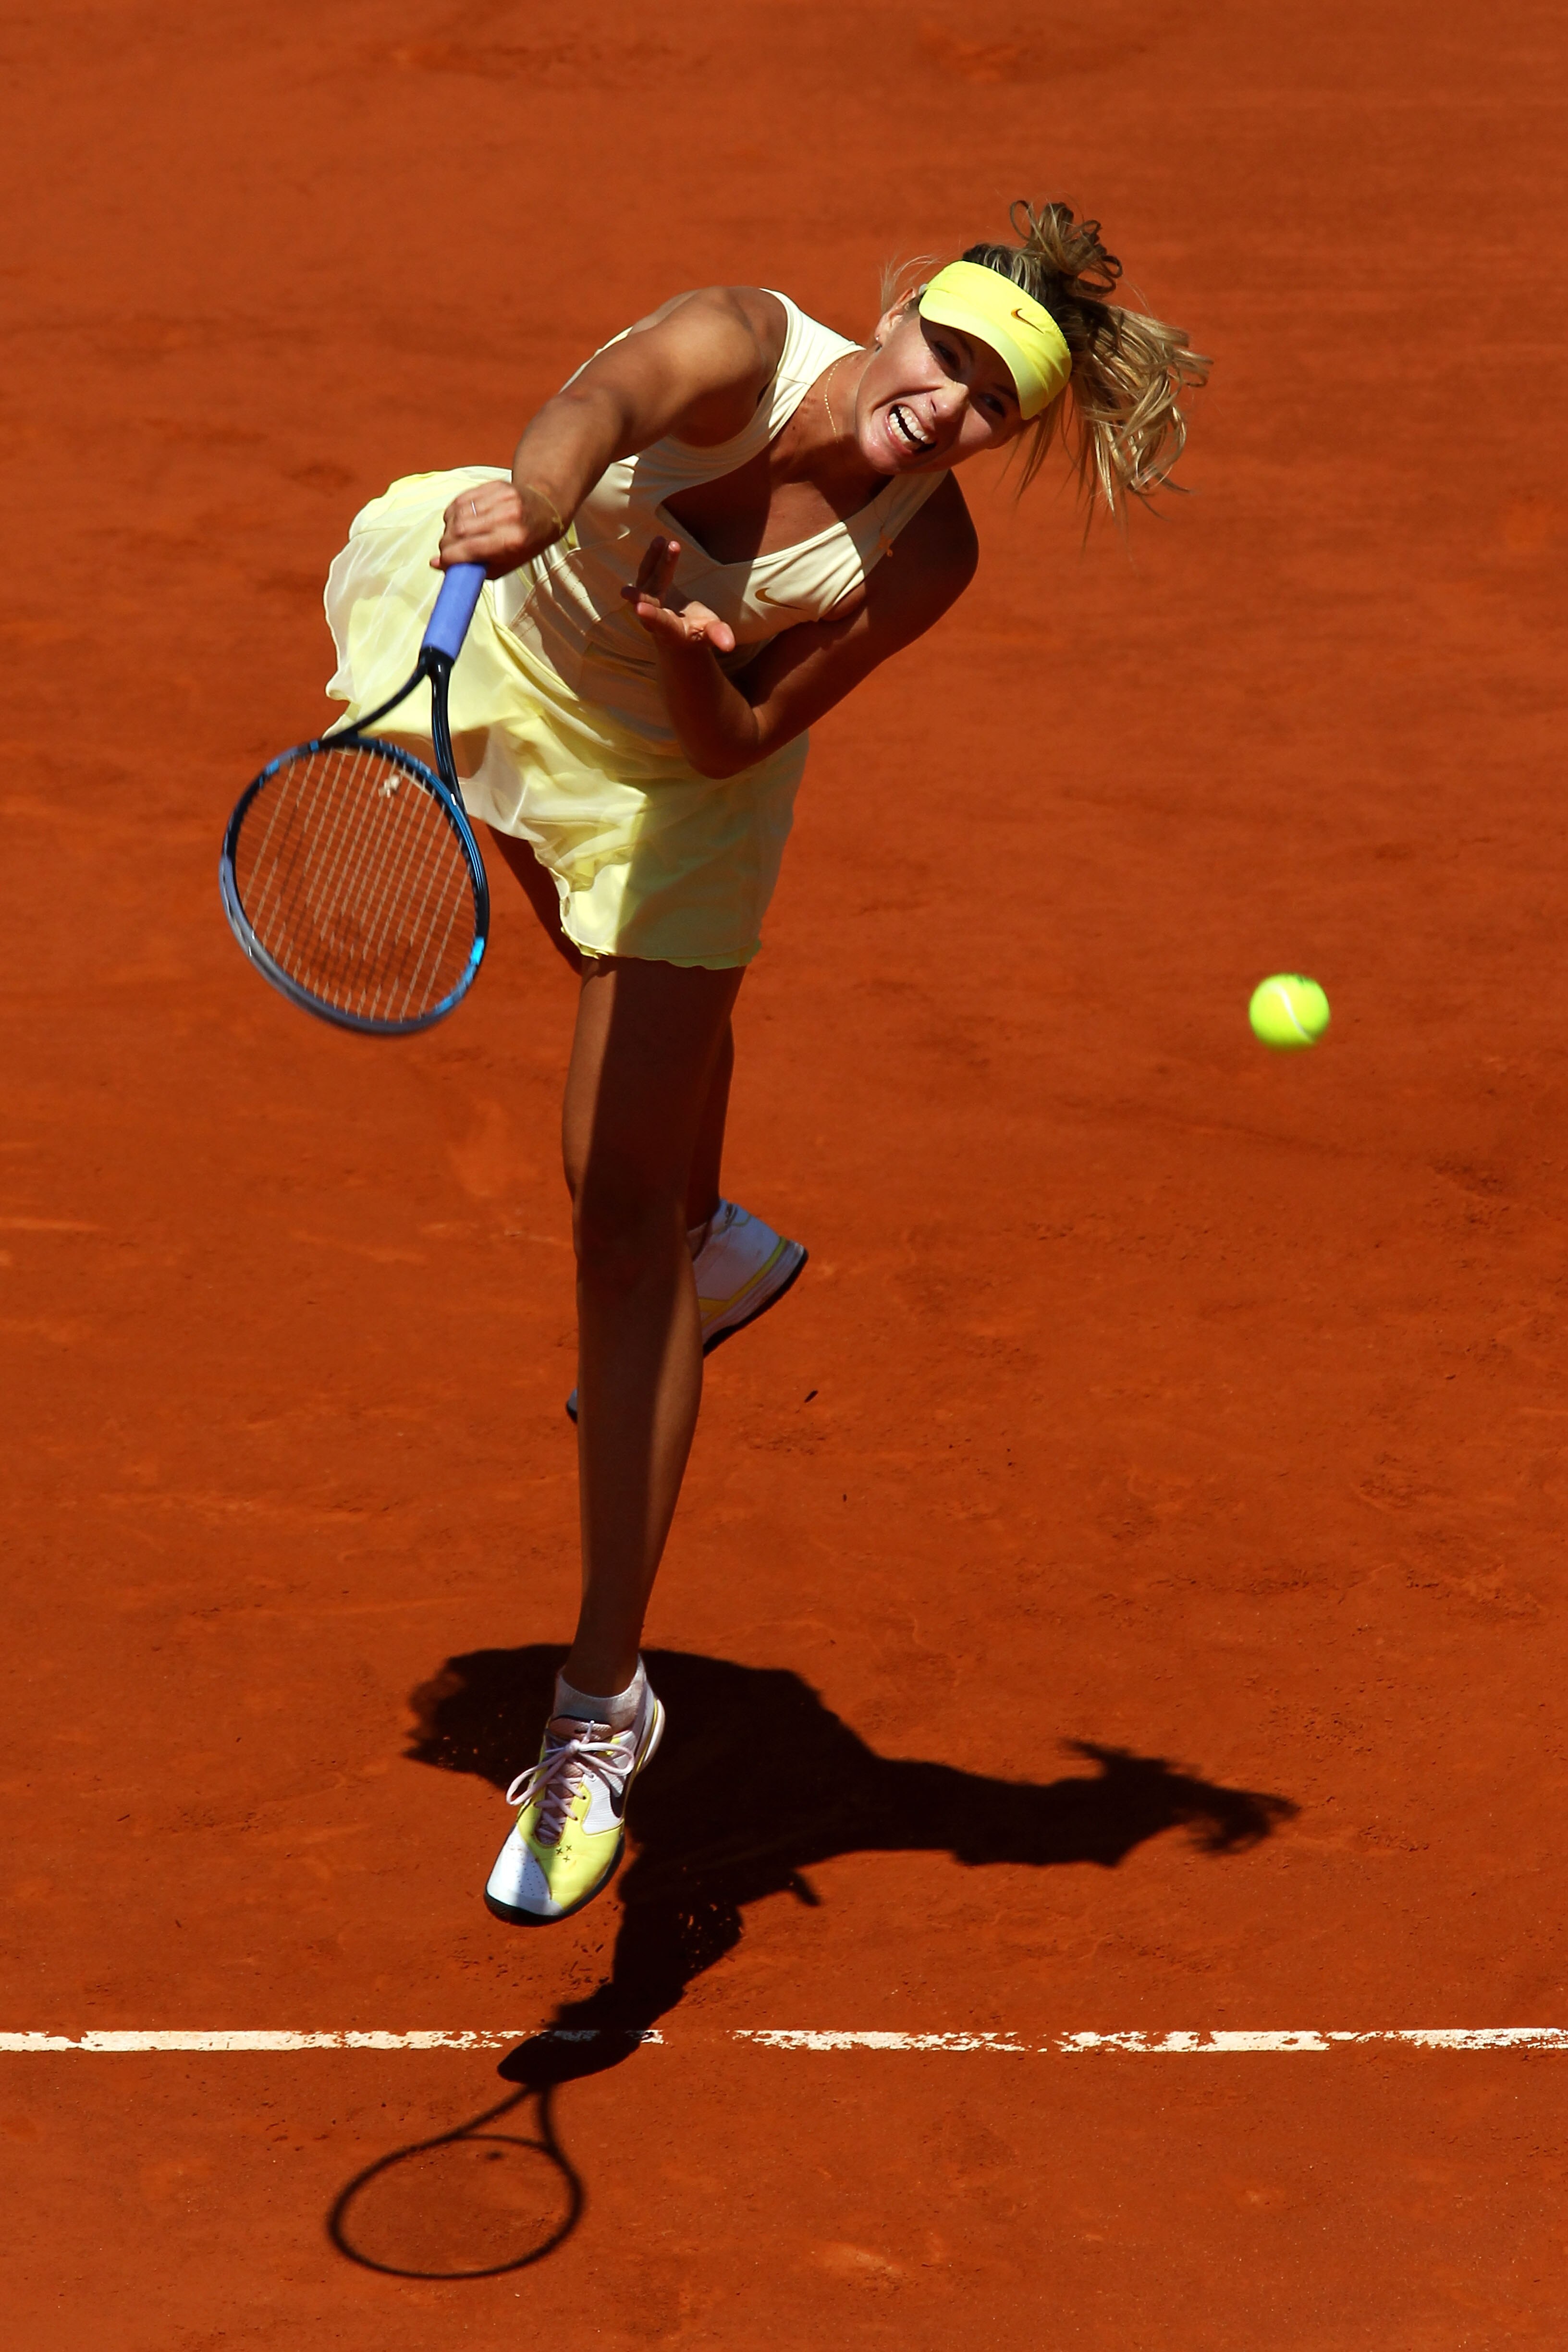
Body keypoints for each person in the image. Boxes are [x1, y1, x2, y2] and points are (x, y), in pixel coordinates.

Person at [321, 200, 1208, 1927]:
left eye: (989, 409)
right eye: (943, 358)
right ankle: (715, 1235)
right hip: (507, 637)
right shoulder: (737, 340)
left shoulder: (923, 557)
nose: (946, 407)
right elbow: (600, 404)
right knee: (630, 1099)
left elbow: (739, 746)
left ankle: (599, 1712)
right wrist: (553, 496)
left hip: (680, 788)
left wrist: (691, 657)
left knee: (609, 1210)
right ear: (897, 321)